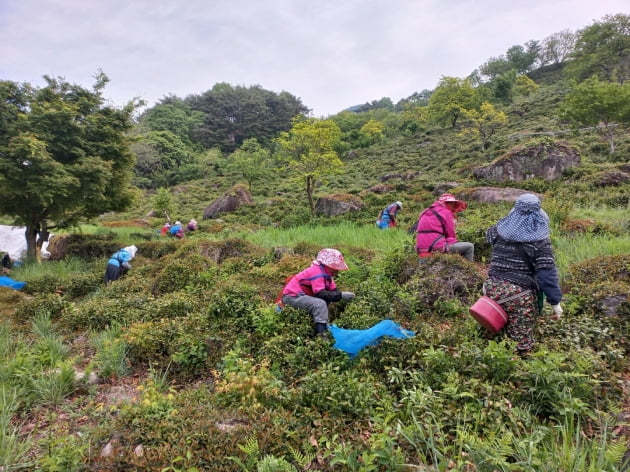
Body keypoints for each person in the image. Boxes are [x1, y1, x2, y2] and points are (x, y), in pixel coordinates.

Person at [484, 193, 563, 355]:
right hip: (519, 296)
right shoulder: (540, 242)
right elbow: (547, 276)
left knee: (491, 332)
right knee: (520, 345)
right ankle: (517, 368)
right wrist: (555, 303)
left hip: (490, 288)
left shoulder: (498, 231)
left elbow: (488, 236)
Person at [280, 248, 355, 336]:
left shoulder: (327, 276)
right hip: (292, 297)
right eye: (335, 267)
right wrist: (341, 295)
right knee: (320, 304)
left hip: (302, 296)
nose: (337, 270)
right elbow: (320, 294)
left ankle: (322, 326)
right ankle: (321, 336)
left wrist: (343, 295)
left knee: (324, 302)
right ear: (327, 265)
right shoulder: (317, 272)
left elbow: (333, 292)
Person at [415, 193, 474, 261]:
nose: (452, 206)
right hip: (436, 248)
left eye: (453, 204)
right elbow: (450, 235)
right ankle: (467, 269)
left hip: (420, 249)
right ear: (445, 203)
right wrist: (456, 242)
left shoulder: (425, 211)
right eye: (450, 203)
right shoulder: (446, 212)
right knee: (469, 246)